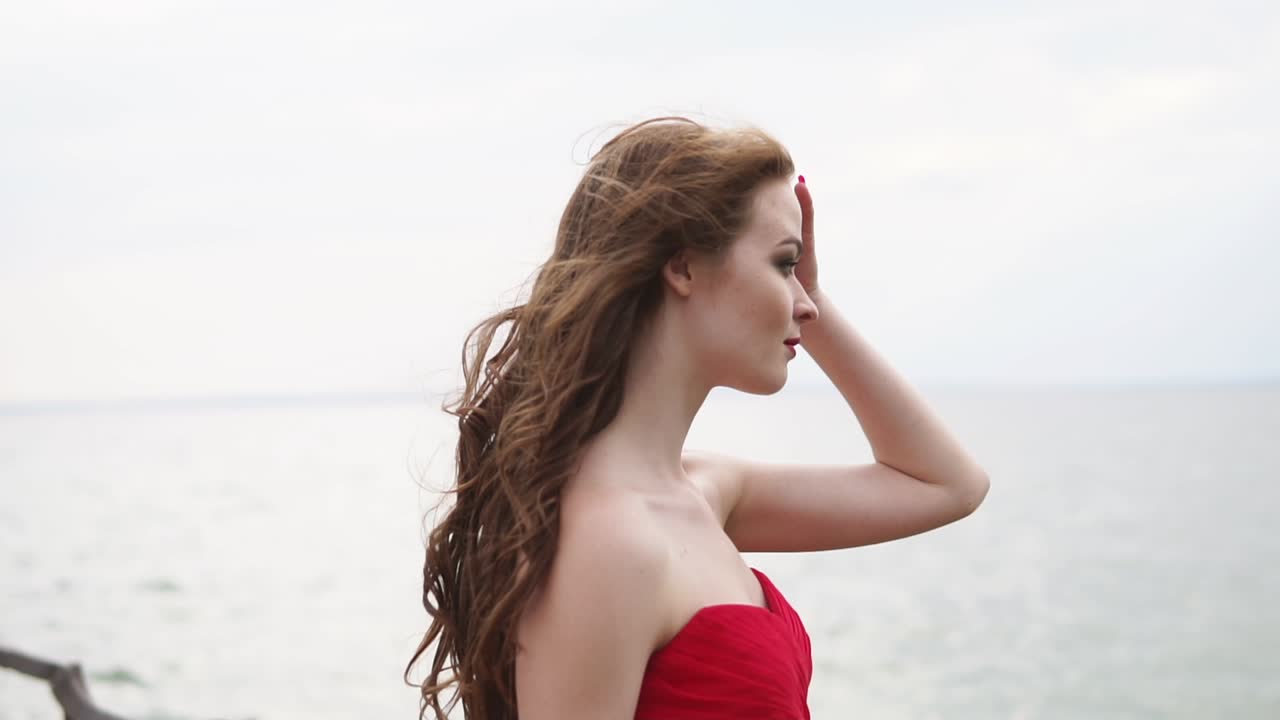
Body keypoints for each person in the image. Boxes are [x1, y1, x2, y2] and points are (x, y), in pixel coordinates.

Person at [404, 116, 990, 719]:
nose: (806, 304)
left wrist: (813, 289)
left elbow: (947, 486)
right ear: (682, 268)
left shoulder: (705, 493)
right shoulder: (611, 540)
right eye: (785, 265)